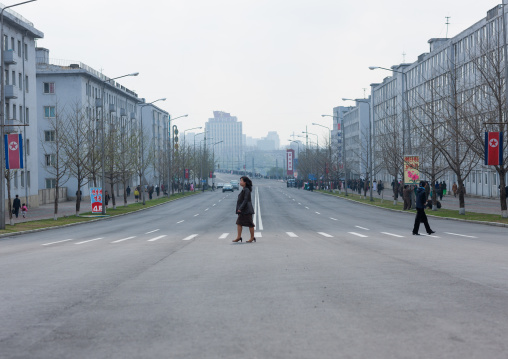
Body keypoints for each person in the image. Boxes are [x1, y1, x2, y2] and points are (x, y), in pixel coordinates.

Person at [232, 176, 256, 243]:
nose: (240, 182)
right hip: (244, 210)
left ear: (245, 182)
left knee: (250, 224)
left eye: (241, 181)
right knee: (239, 223)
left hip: (247, 210)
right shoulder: (244, 189)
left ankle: (252, 237)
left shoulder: (247, 190)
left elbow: (245, 200)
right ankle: (239, 237)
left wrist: (240, 208)